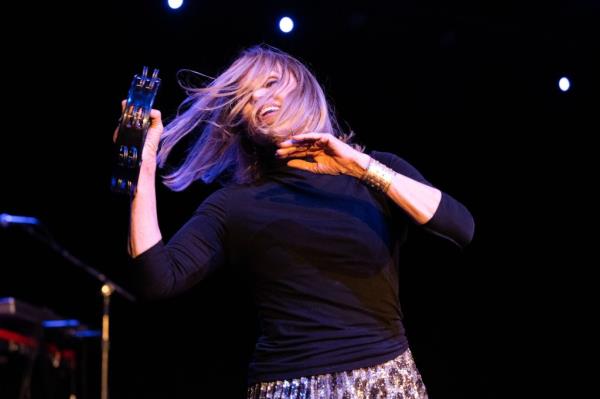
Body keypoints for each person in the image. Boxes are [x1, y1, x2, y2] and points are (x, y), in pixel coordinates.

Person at [123, 44, 474, 399]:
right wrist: (143, 164)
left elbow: (460, 226)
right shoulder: (234, 204)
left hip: (385, 381)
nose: (260, 97)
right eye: (246, 96)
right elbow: (156, 279)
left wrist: (361, 167)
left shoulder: (375, 173)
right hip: (287, 386)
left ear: (303, 87)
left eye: (271, 83)